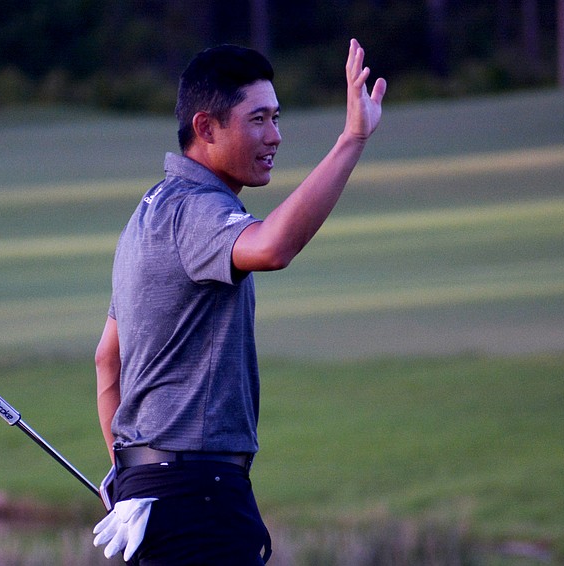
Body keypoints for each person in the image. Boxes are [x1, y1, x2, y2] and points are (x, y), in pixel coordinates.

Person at [93, 38, 386, 565]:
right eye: (258, 120)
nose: (275, 136)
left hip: (158, 495)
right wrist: (351, 139)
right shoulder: (196, 210)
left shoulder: (147, 214)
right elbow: (271, 247)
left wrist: (128, 470)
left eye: (276, 118)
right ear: (206, 128)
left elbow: (106, 362)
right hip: (199, 497)